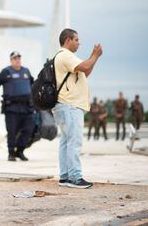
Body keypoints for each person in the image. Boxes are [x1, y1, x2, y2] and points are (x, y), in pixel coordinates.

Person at [52, 28, 102, 189]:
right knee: (74, 141)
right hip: (70, 105)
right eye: (76, 40)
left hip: (65, 105)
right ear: (68, 40)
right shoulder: (65, 55)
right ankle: (75, 177)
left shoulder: (65, 57)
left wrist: (94, 59)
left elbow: (84, 72)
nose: (79, 43)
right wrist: (95, 55)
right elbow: (86, 66)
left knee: (66, 142)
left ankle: (65, 176)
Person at [0, 51, 35, 162]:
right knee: (12, 131)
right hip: (12, 108)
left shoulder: (26, 71)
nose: (17, 60)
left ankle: (20, 150)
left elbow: (33, 84)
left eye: (19, 58)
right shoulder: (6, 72)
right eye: (15, 58)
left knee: (29, 129)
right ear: (11, 60)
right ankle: (11, 153)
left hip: (27, 107)